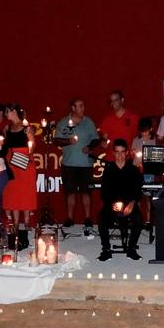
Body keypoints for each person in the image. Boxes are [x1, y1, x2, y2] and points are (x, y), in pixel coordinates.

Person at [54, 98, 99, 235]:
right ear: (72, 108)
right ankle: (69, 218)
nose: (82, 108)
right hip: (69, 163)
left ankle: (87, 218)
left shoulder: (88, 122)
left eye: (83, 105)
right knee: (70, 191)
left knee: (86, 191)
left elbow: (96, 139)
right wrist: (68, 140)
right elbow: (56, 140)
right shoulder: (63, 122)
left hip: (85, 163)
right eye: (79, 106)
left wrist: (90, 147)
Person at [97, 139, 144, 261]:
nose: (120, 155)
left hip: (129, 204)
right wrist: (112, 204)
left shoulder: (133, 170)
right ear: (113, 153)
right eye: (117, 152)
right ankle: (106, 249)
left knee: (138, 220)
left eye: (122, 152)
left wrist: (132, 203)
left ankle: (131, 249)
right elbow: (104, 192)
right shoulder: (109, 170)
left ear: (127, 153)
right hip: (112, 204)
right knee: (101, 218)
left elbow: (138, 191)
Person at [0, 104, 37, 250]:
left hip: (25, 162)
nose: (6, 115)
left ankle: (27, 222)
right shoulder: (7, 129)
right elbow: (4, 147)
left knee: (26, 191)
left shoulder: (26, 127)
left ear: (14, 111)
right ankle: (15, 222)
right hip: (11, 162)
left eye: (7, 112)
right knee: (13, 192)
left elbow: (32, 147)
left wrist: (30, 140)